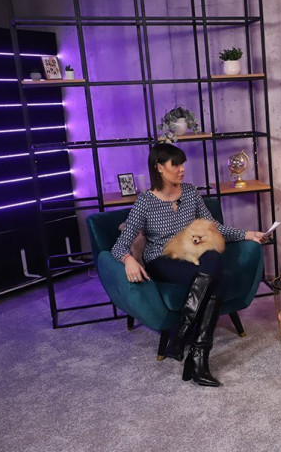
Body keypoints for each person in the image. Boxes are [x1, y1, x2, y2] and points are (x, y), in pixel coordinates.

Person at [111, 143, 267, 387]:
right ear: (159, 168)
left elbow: (213, 227)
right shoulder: (145, 202)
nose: (182, 169)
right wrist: (129, 259)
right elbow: (120, 246)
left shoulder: (190, 192)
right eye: (176, 165)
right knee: (220, 278)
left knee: (213, 257)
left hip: (193, 252)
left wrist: (246, 234)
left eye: (182, 164)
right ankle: (196, 356)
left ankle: (184, 339)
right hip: (162, 259)